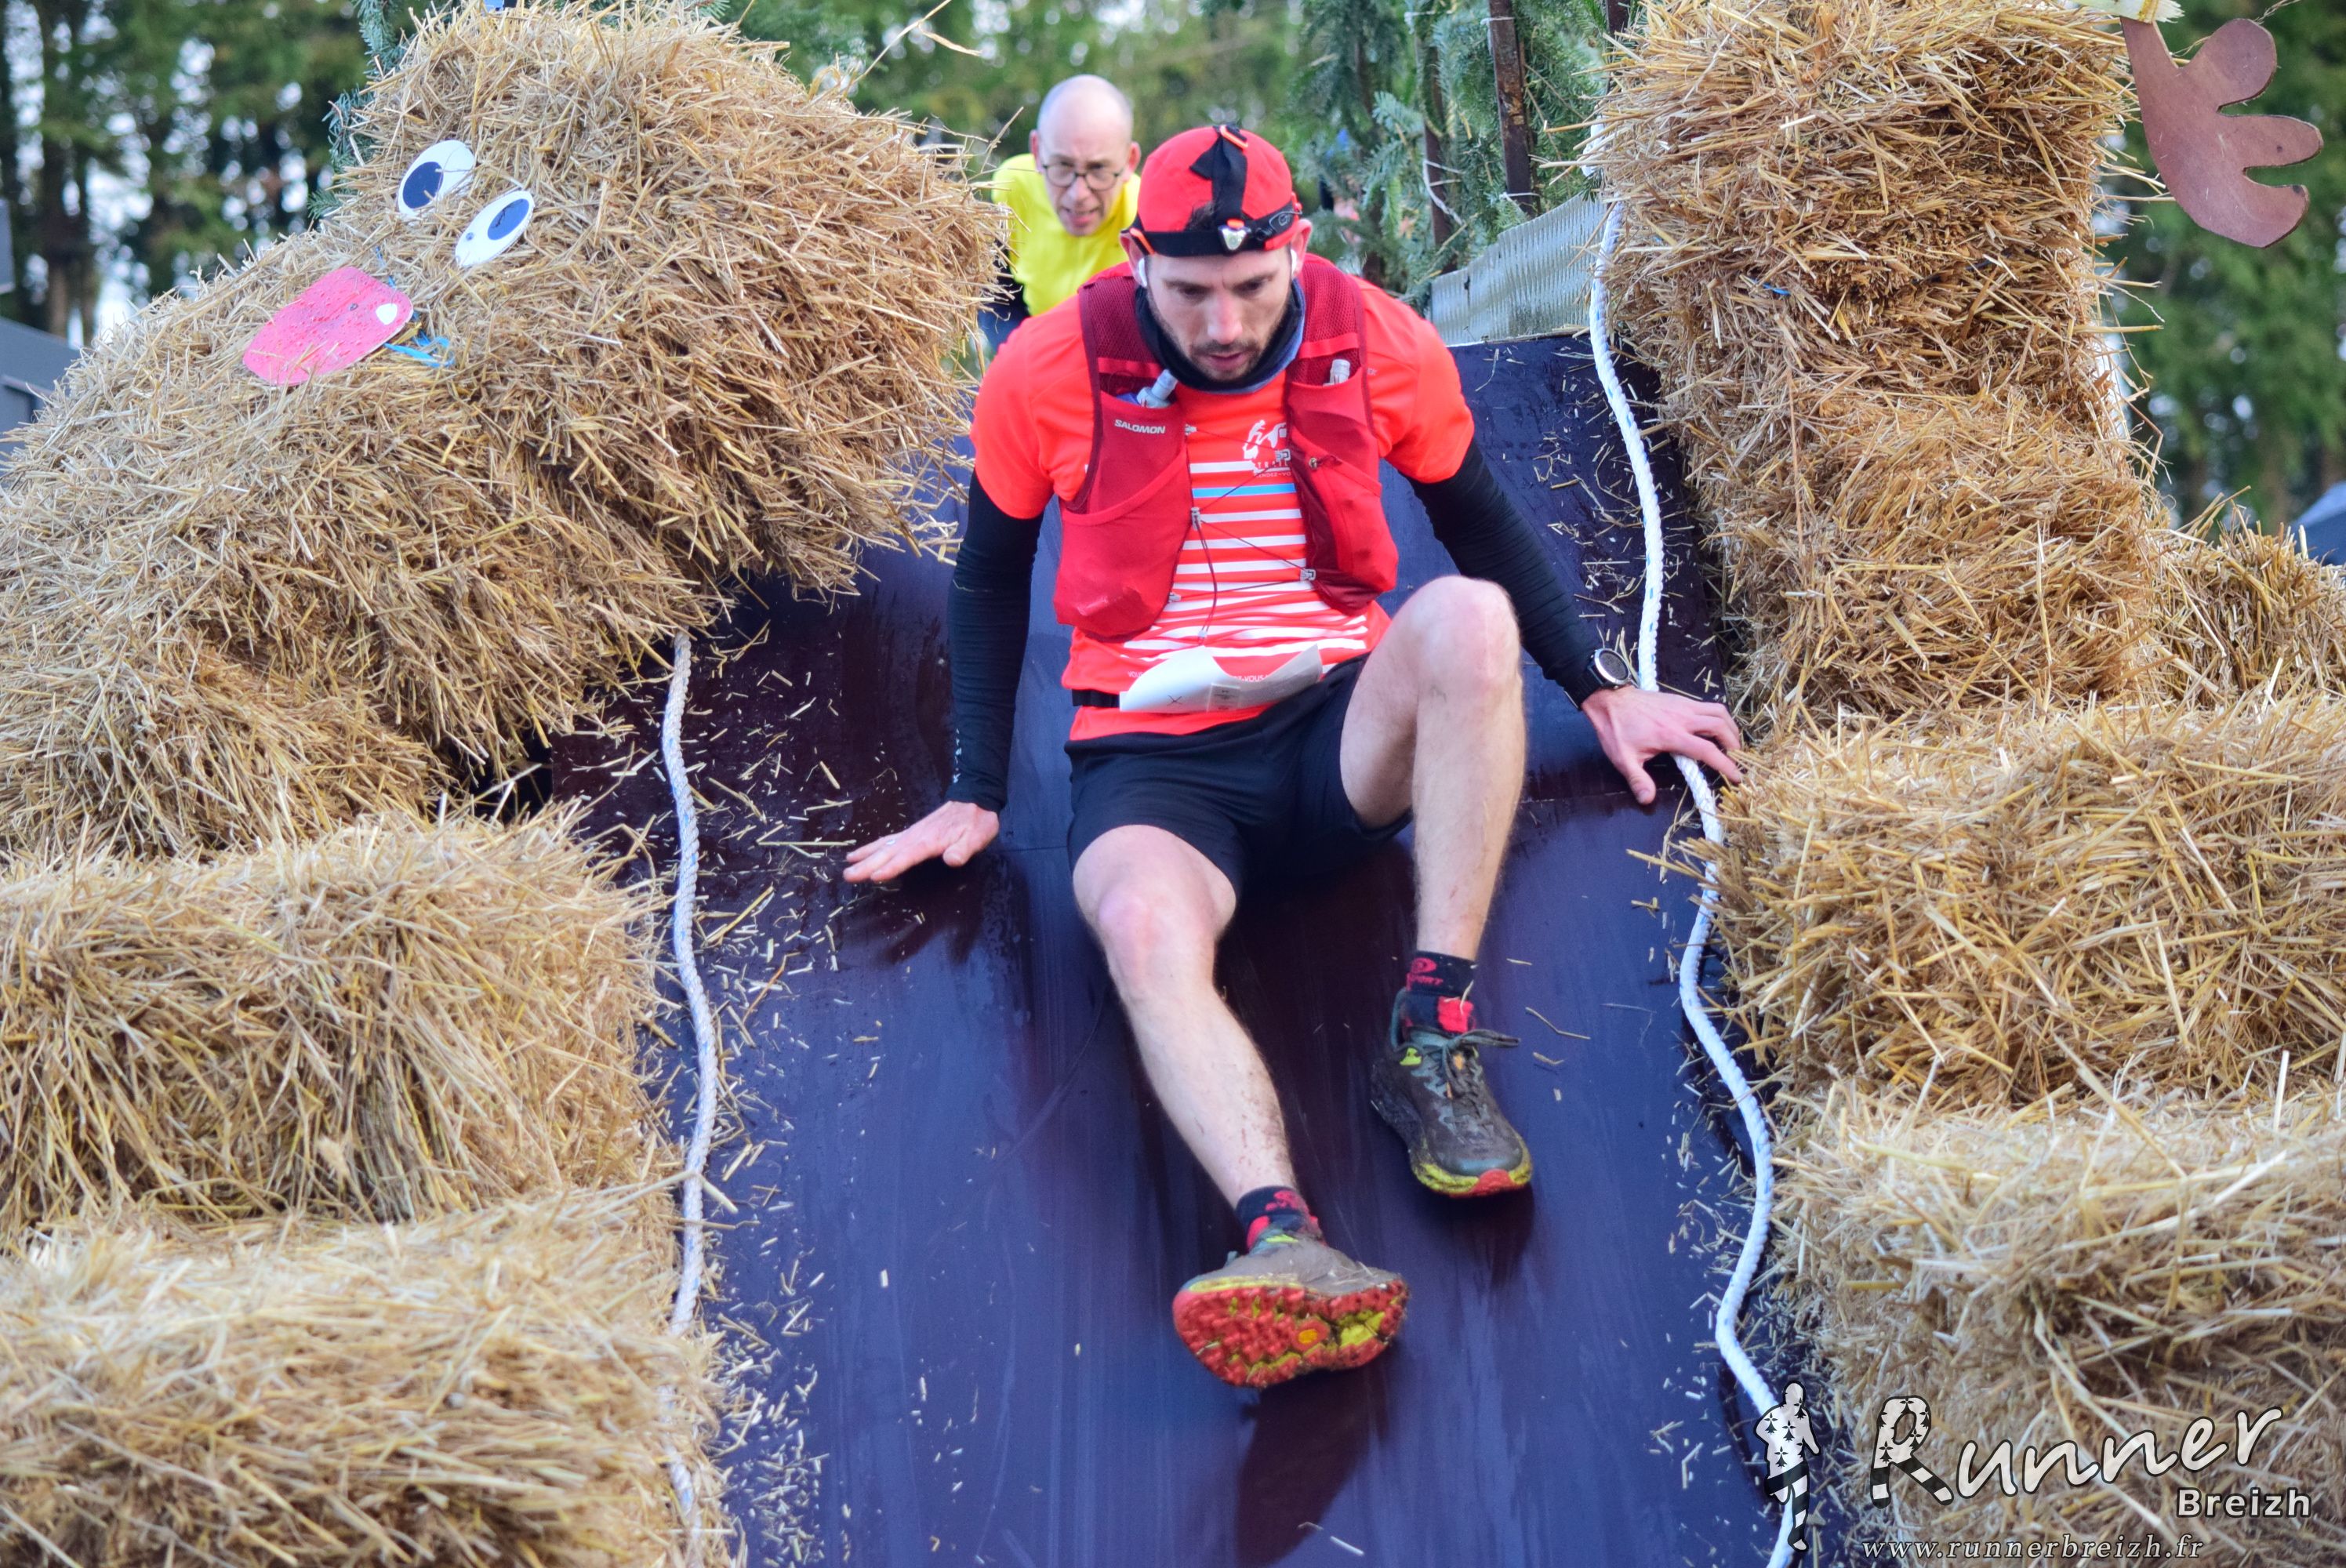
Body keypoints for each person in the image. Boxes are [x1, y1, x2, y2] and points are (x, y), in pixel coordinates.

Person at [848, 125, 1742, 1388]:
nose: (1222, 324)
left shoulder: (1376, 338)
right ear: (1137, 257)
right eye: (1190, 291)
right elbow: (989, 578)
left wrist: (1601, 690)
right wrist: (974, 791)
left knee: (1469, 617)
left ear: (1296, 252)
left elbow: (1480, 520)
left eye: (1252, 288)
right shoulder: (1047, 369)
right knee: (1141, 931)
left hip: (1334, 737)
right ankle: (1283, 1239)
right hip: (1152, 767)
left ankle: (1431, 1033)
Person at [982, 75, 1141, 346]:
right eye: (1062, 167)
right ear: (1037, 151)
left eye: (1099, 170)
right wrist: (1023, 352)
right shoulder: (1011, 188)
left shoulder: (1145, 218)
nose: (1078, 195)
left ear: (1129, 161)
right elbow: (995, 295)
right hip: (1034, 346)